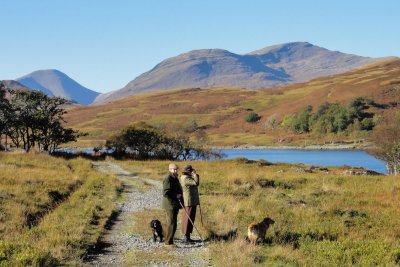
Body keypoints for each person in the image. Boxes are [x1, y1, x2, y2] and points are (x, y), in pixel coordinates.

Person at [162, 163, 183, 247]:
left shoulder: (175, 178)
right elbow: (165, 192)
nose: (176, 171)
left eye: (176, 169)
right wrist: (176, 195)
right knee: (171, 223)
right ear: (170, 169)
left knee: (173, 223)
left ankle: (170, 241)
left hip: (175, 204)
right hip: (170, 204)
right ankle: (167, 243)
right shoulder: (168, 178)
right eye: (174, 169)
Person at [179, 165, 200, 243]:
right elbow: (196, 183)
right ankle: (186, 237)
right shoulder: (185, 178)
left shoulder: (187, 177)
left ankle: (188, 237)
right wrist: (195, 175)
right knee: (188, 219)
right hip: (189, 201)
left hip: (191, 201)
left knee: (190, 218)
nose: (192, 172)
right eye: (191, 171)